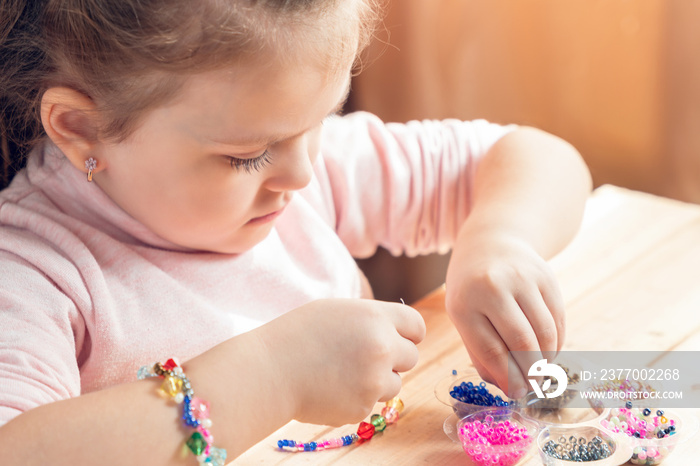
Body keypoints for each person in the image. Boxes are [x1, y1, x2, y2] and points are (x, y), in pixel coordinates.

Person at [0, 0, 592, 464]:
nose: (303, 173)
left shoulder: (306, 161)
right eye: (246, 155)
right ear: (81, 127)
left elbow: (533, 157)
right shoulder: (32, 271)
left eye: (321, 120)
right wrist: (273, 377)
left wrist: (499, 239)